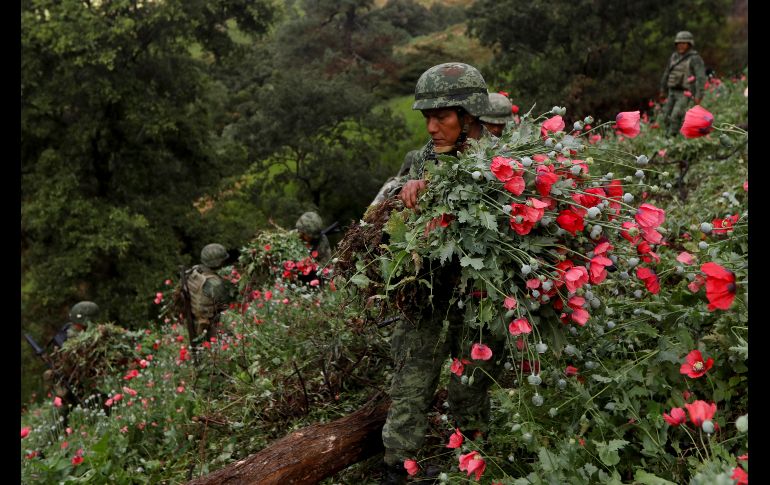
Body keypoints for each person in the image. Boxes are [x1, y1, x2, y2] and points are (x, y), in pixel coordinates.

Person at [380, 62, 507, 484]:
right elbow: (377, 222)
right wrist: (403, 194)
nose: (432, 127)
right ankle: (398, 470)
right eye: (427, 118)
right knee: (410, 385)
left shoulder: (501, 165)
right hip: (427, 297)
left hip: (477, 302)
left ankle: (471, 465)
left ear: (469, 116)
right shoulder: (418, 161)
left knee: (470, 389)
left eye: (442, 117)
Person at [659, 31, 706, 137]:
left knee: (676, 116)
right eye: (679, 43)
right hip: (672, 91)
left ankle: (673, 139)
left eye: (683, 43)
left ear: (689, 44)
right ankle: (667, 138)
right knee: (666, 116)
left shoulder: (694, 58)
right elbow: (667, 73)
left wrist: (699, 95)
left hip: (685, 93)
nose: (680, 45)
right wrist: (663, 90)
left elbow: (700, 77)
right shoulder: (674, 57)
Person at [184, 243, 232, 343]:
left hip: (194, 320)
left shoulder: (194, 271)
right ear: (219, 263)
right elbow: (225, 304)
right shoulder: (215, 283)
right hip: (208, 325)